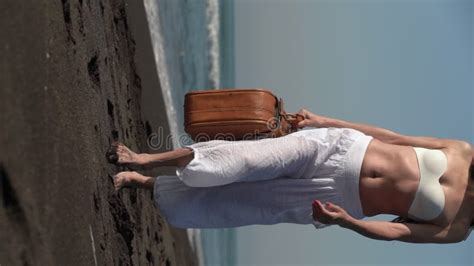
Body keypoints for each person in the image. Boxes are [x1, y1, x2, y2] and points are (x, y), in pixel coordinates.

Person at [106, 109, 474, 244]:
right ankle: (143, 159)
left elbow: (397, 231)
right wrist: (326, 122)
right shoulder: (462, 150)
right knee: (241, 159)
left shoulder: (456, 228)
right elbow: (391, 137)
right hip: (337, 148)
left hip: (339, 199)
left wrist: (346, 222)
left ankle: (147, 184)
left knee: (240, 202)